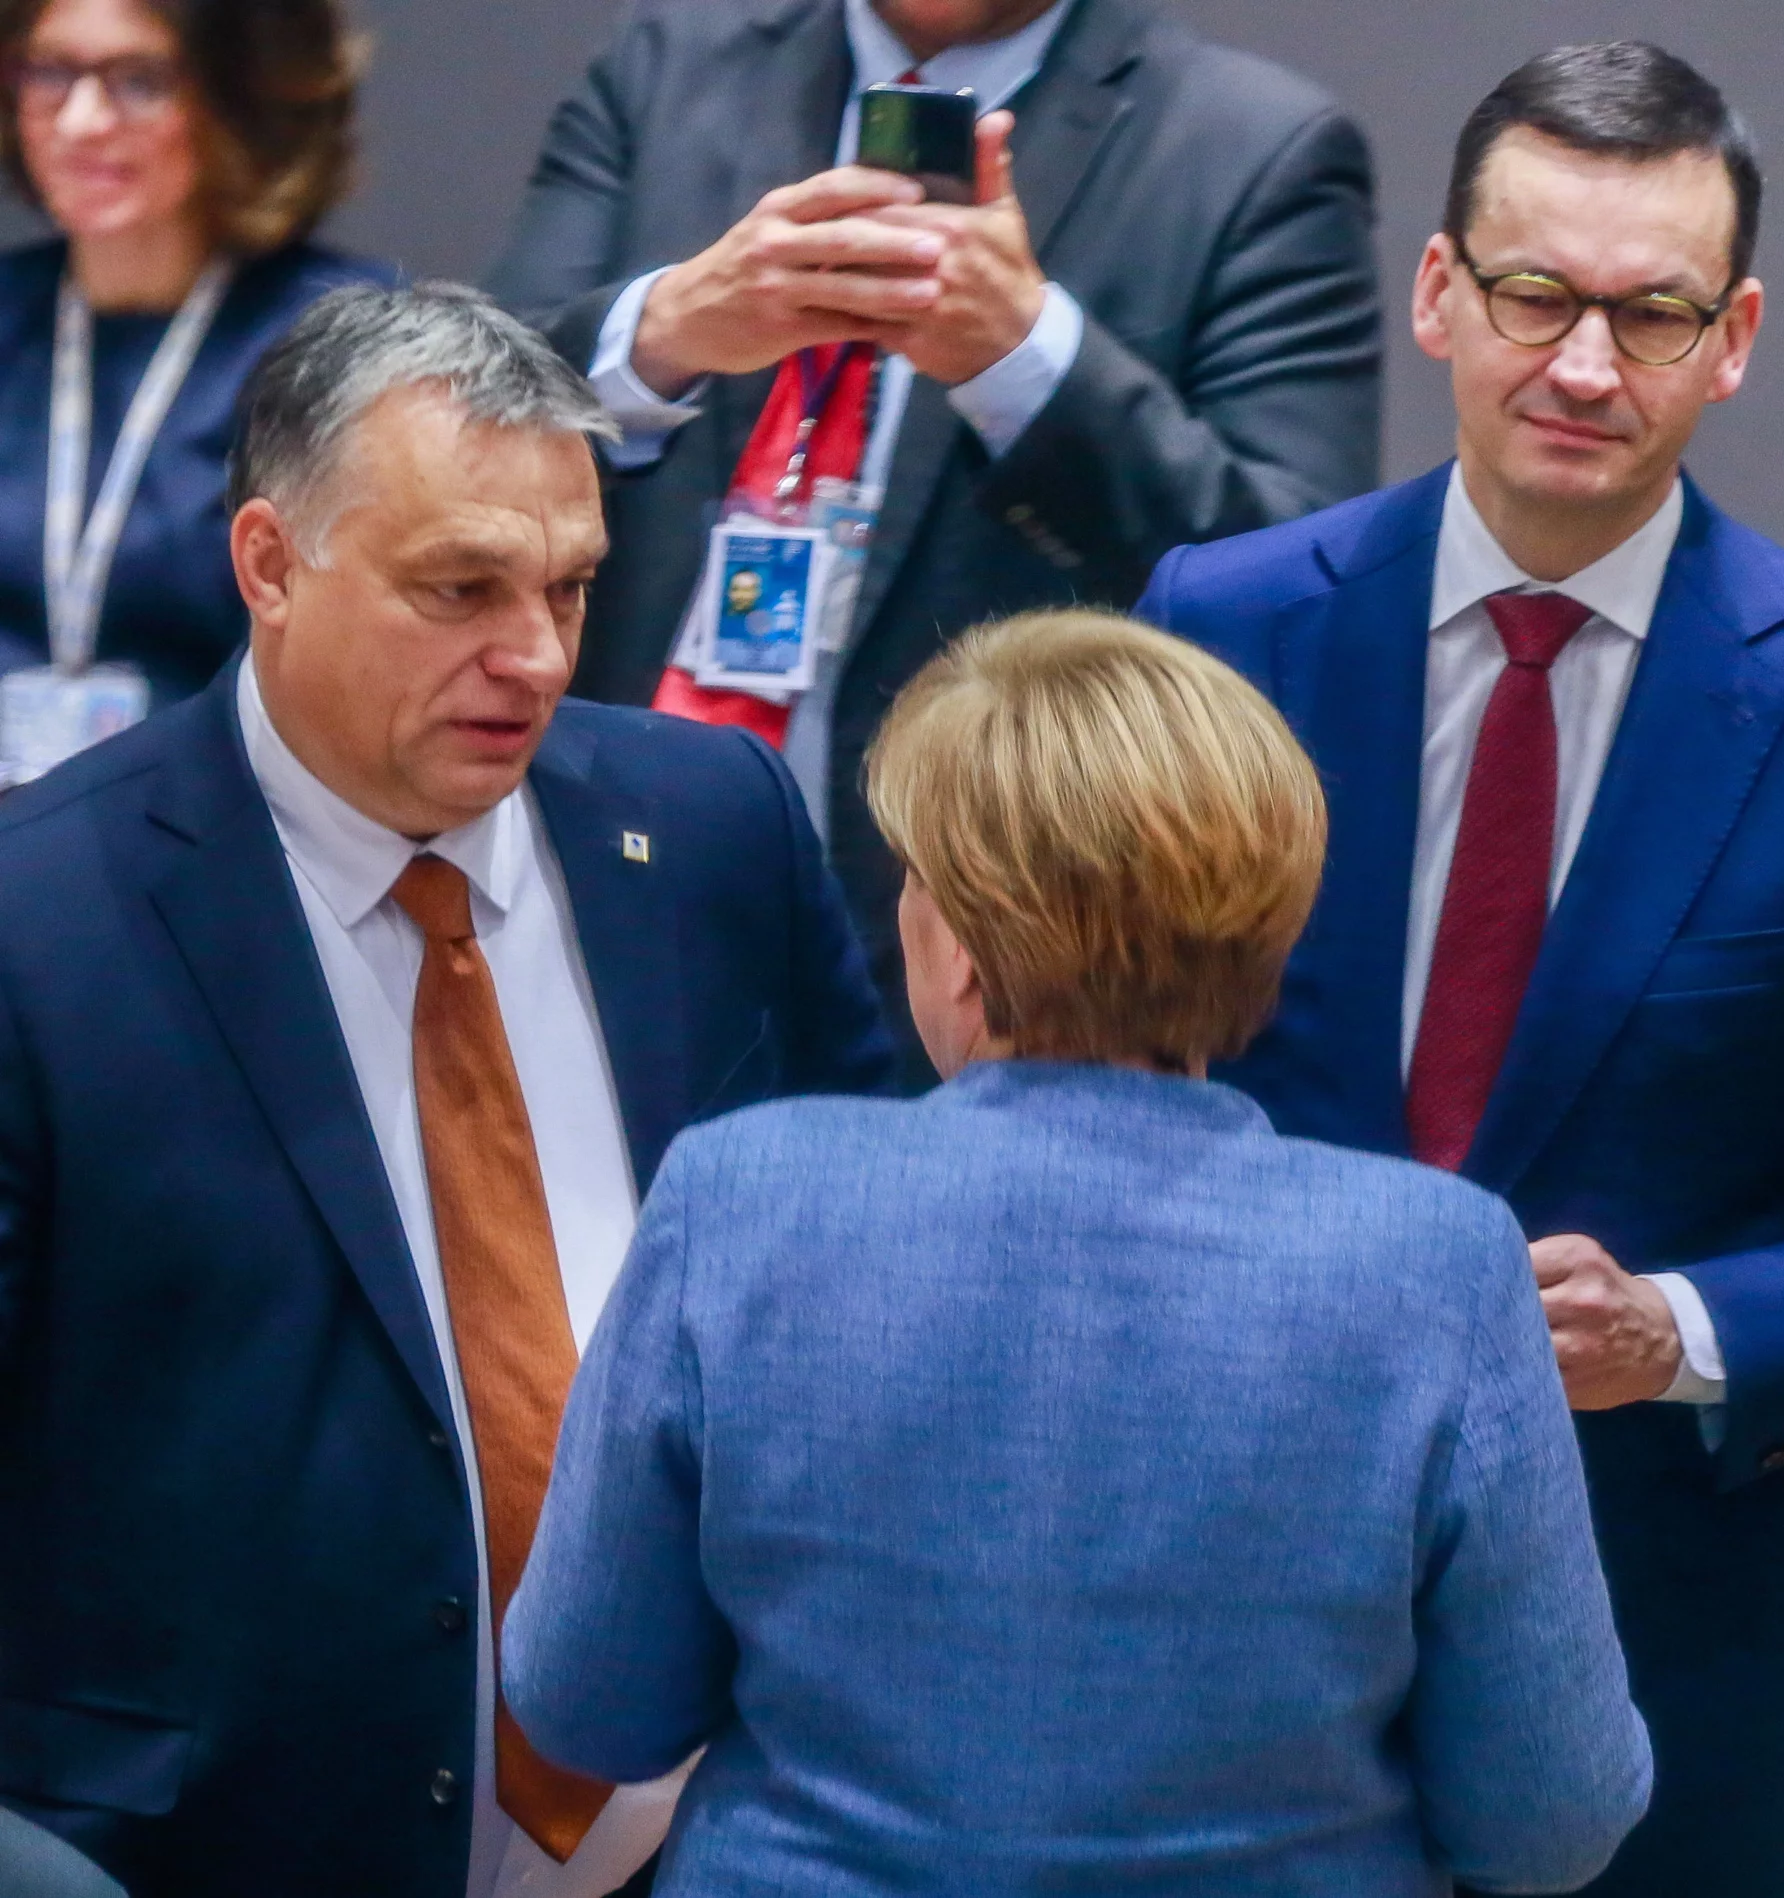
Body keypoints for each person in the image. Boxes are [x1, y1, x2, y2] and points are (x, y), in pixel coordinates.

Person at [1137, 43, 1784, 1898]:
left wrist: (1685, 1335)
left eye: (1652, 313)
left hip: (1650, 1656)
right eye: (1536, 295)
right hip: (1206, 1619)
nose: (1585, 366)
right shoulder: (1216, 629)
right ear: (1440, 290)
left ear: (1740, 335)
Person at [501, 608, 1651, 1896]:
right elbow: (1549, 1818)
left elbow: (586, 1703)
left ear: (962, 937)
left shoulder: (741, 1197)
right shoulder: (1436, 1270)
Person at [0, 284, 894, 1898]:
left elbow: (877, 1273)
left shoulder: (711, 827)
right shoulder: (39, 922)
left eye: (568, 587)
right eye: (460, 588)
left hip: (701, 1847)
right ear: (270, 563)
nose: (535, 656)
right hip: (206, 1848)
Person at [485, 0, 1384, 1078]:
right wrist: (664, 330)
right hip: (611, 905)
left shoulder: (1250, 150)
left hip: (973, 962)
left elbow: (1293, 589)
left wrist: (1028, 362)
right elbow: (457, 415)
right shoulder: (664, 72)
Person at [0, 0, 391, 783]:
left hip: (219, 839)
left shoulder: (342, 346)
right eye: (51, 71)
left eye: (138, 81)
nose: (80, 121)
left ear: (238, 95)